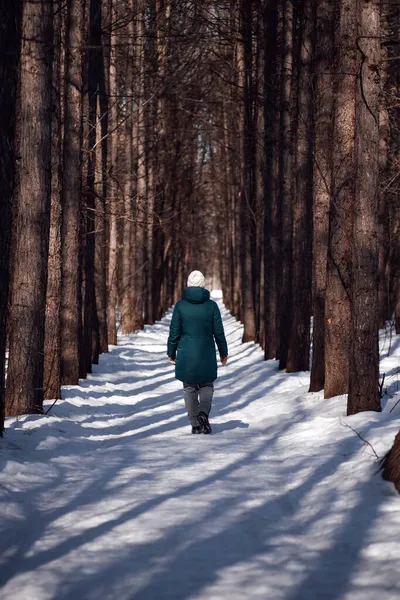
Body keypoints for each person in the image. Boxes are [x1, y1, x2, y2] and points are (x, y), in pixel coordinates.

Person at [167, 270, 228, 434]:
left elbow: (174, 332)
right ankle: (203, 413)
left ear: (188, 284)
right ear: (203, 285)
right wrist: (223, 353)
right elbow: (219, 332)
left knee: (189, 388)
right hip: (206, 352)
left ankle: (195, 424)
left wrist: (171, 352)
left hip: (186, 354)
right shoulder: (212, 306)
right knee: (207, 385)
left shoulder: (180, 306)